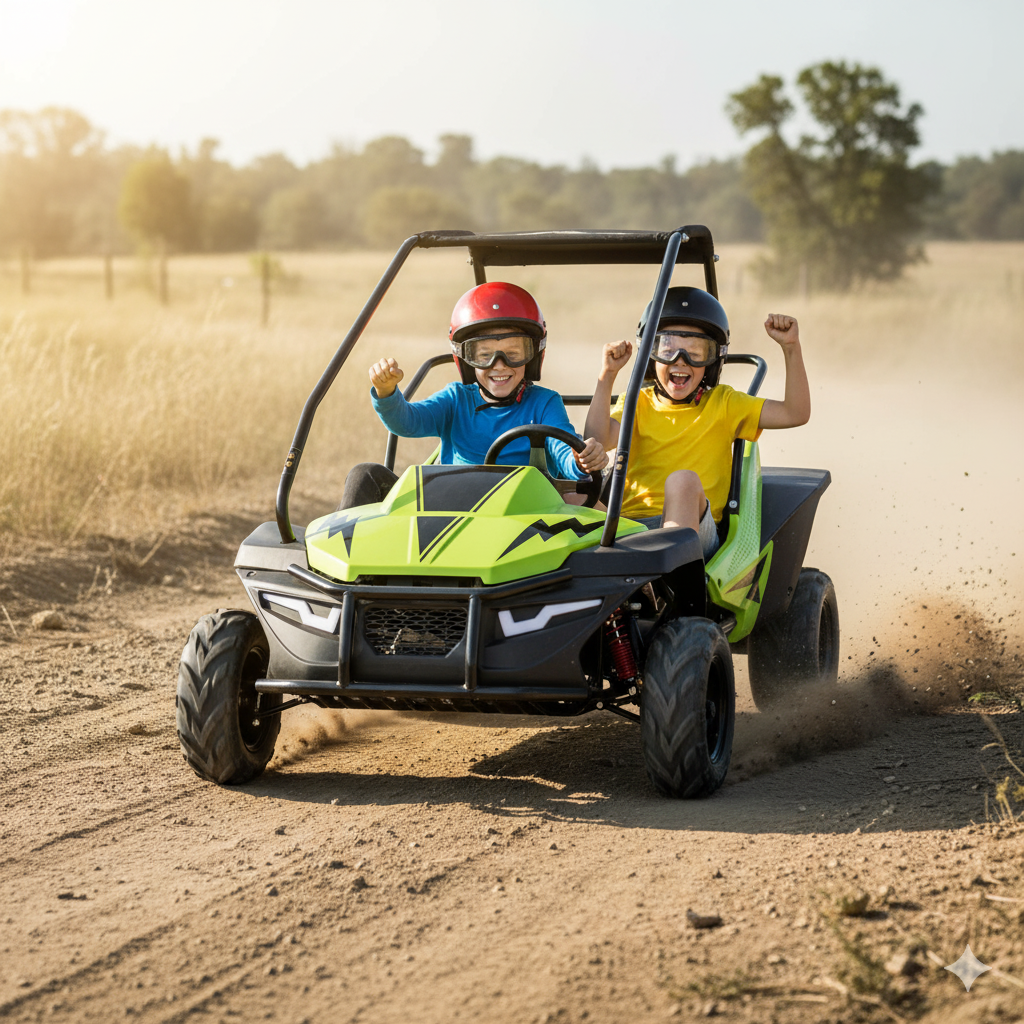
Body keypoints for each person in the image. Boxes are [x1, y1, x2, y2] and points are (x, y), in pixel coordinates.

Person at [584, 286, 810, 559]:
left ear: (712, 361)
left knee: (682, 482)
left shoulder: (724, 403)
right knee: (566, 492)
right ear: (651, 354)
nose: (681, 360)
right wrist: (607, 375)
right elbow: (596, 440)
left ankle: (675, 580)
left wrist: (791, 347)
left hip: (696, 533)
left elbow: (795, 413)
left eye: (696, 351)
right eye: (668, 349)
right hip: (627, 527)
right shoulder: (637, 402)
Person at [340, 281, 606, 508]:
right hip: (452, 510)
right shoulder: (456, 399)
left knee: (598, 513)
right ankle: (350, 560)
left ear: (533, 355)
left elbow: (563, 451)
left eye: (513, 354)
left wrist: (579, 460)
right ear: (466, 360)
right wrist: (386, 392)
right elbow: (407, 422)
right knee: (364, 475)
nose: (499, 364)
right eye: (485, 355)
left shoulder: (545, 402)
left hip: (524, 516)